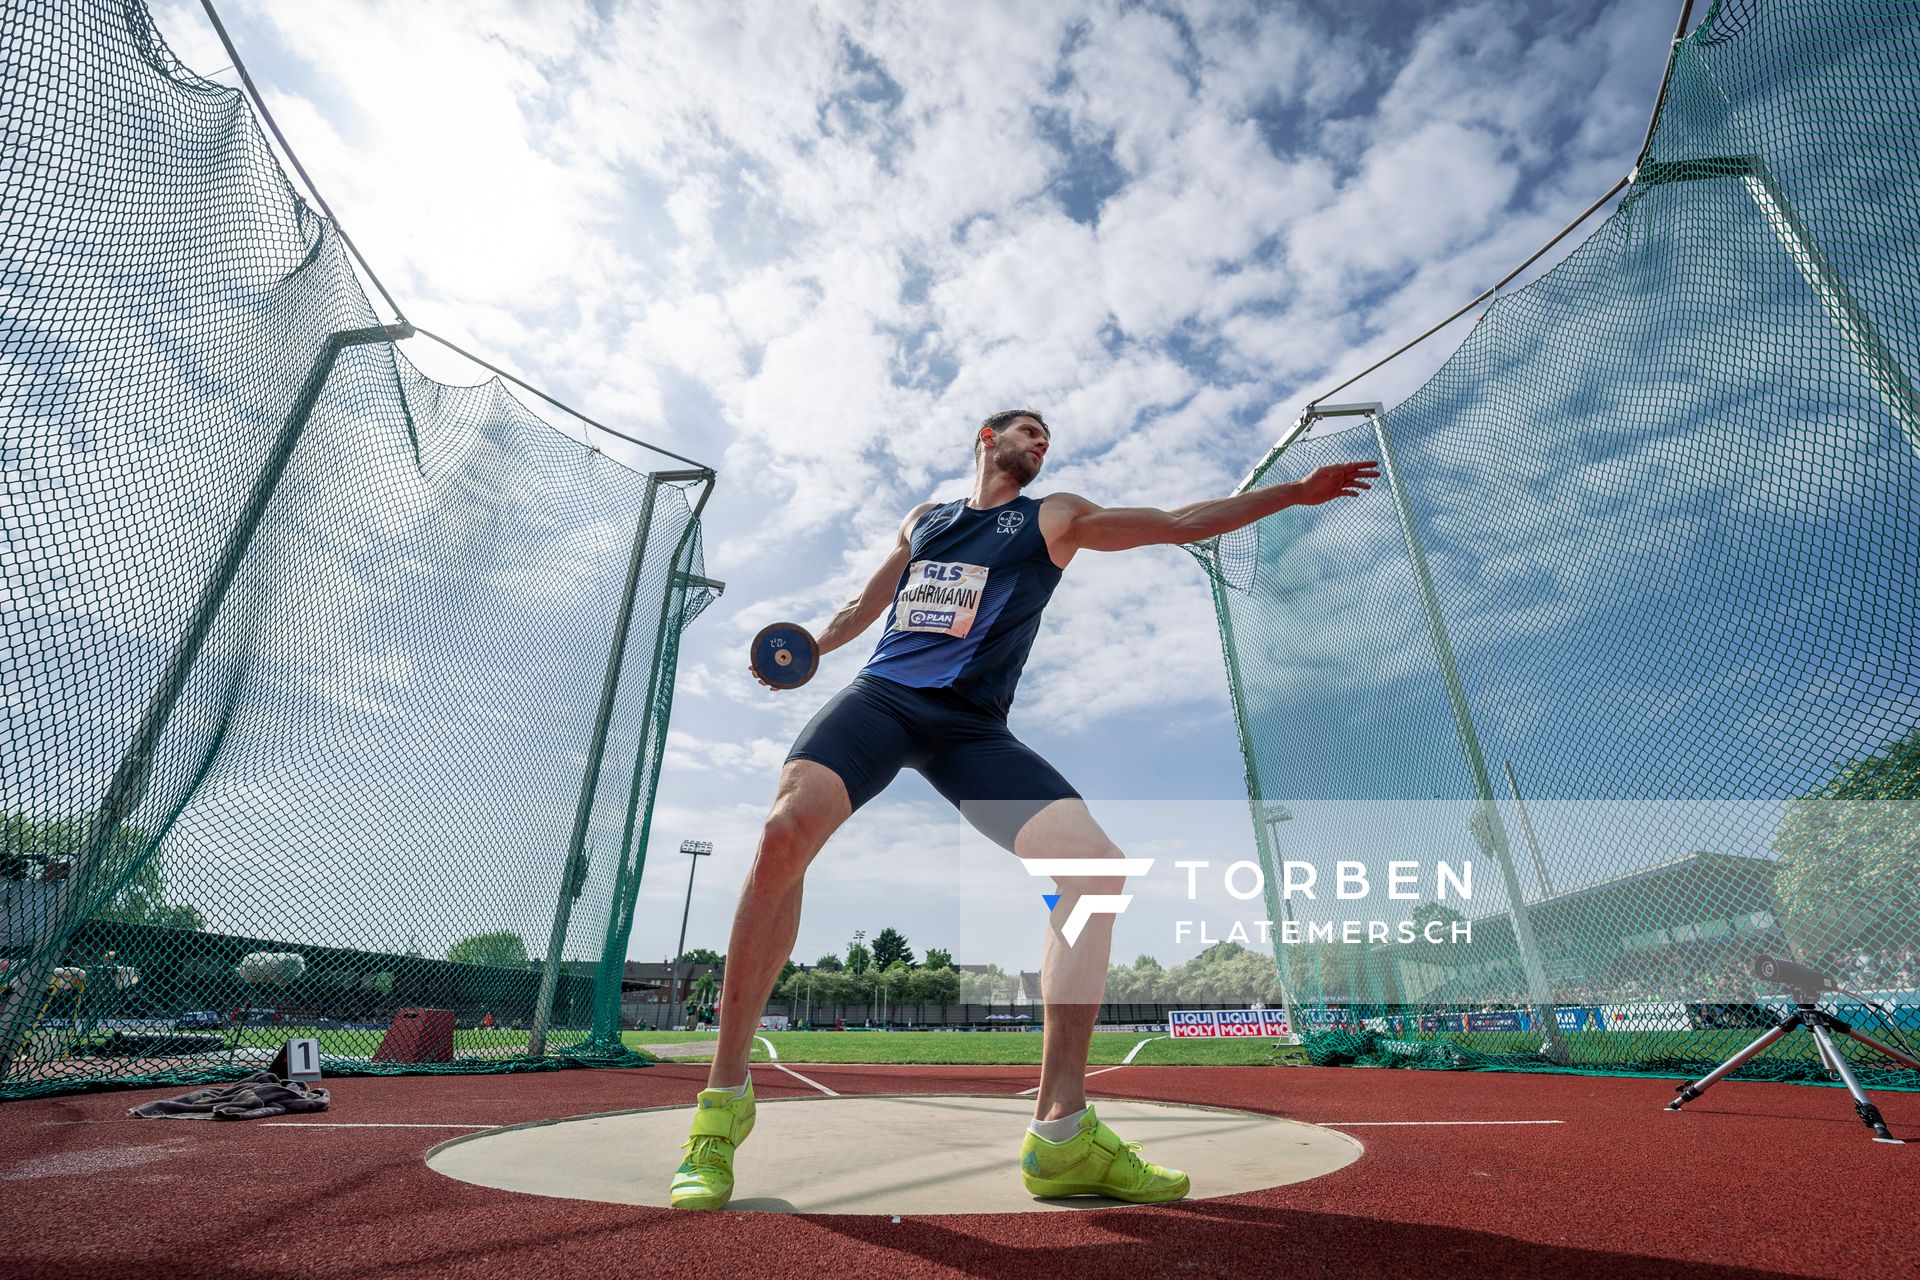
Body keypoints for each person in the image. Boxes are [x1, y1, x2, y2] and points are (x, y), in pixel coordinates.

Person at [670, 410, 1378, 1209]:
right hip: (884, 699)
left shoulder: (1056, 516)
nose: (1042, 445)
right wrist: (809, 649)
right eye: (1029, 432)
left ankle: (1062, 1134)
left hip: (970, 728)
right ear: (987, 438)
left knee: (1094, 872)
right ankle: (721, 1110)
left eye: (1048, 439)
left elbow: (1178, 522)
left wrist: (1292, 494)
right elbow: (862, 607)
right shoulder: (926, 520)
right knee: (781, 834)